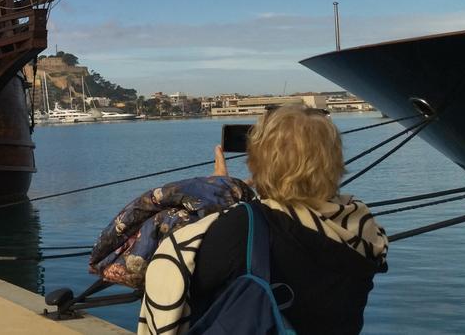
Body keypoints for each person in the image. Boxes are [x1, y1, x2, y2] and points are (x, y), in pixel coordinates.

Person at [138, 104, 389, 335]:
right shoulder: (362, 225)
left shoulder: (242, 227)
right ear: (334, 160)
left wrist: (220, 192)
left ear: (257, 161)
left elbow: (173, 274)